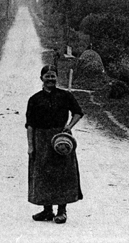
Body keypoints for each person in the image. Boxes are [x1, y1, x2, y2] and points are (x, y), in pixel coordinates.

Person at [25, 64, 84, 224]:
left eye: (53, 76)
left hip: (60, 140)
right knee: (43, 173)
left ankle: (62, 211)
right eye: (47, 76)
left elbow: (78, 112)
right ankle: (47, 210)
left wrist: (69, 127)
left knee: (62, 173)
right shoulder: (35, 99)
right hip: (41, 139)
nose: (50, 79)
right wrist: (31, 146)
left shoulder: (65, 96)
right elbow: (30, 124)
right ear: (41, 78)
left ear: (57, 78)